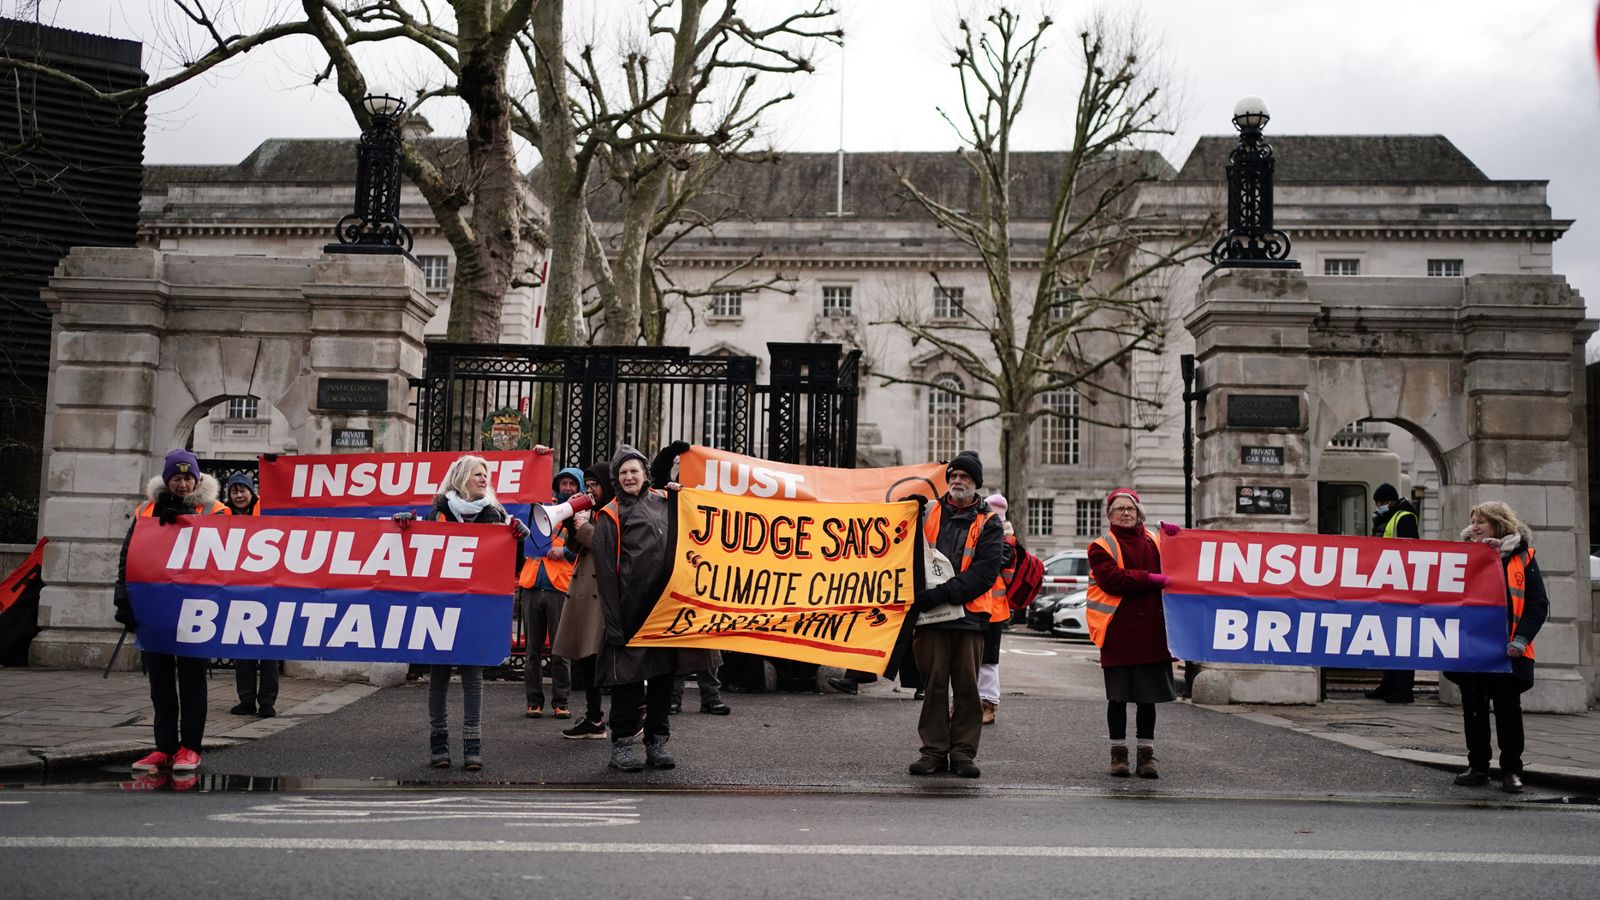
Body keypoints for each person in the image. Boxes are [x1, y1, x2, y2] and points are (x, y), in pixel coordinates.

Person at [593, 442, 720, 772]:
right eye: (623, 472)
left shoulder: (666, 500)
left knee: (663, 682)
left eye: (634, 470)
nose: (629, 476)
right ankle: (622, 744)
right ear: (616, 479)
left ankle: (657, 742)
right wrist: (614, 623)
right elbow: (605, 574)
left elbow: (697, 525)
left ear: (645, 473)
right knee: (627, 685)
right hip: (630, 613)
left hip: (665, 611)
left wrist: (681, 495)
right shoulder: (609, 515)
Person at [402, 454, 529, 771]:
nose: (484, 479)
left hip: (477, 609)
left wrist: (519, 541)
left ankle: (473, 745)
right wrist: (404, 527)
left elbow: (510, 569)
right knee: (440, 677)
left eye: (486, 475)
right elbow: (418, 557)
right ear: (461, 479)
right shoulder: (439, 512)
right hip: (442, 605)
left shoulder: (496, 514)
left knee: (474, 678)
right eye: (477, 474)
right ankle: (439, 743)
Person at [114, 449, 232, 774]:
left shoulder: (216, 510)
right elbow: (128, 558)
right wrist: (123, 600)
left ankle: (190, 747)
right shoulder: (147, 510)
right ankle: (164, 747)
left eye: (188, 477)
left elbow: (228, 558)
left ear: (197, 479)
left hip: (197, 608)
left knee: (192, 679)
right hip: (155, 607)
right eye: (176, 478)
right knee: (160, 681)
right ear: (167, 479)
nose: (182, 484)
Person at [908, 450, 1008, 779]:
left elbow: (983, 574)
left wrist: (941, 593)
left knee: (967, 688)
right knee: (935, 685)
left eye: (963, 476)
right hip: (933, 617)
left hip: (969, 618)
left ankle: (963, 753)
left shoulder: (990, 522)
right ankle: (934, 752)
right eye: (952, 476)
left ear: (975, 483)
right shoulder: (930, 511)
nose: (956, 481)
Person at [1446, 501, 1548, 794]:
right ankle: (1478, 767)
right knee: (1474, 711)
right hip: (1472, 648)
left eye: (1482, 522)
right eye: (1474, 521)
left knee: (1508, 712)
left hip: (1508, 650)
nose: (1475, 526)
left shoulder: (1523, 558)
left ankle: (1511, 771)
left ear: (1499, 525)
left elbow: (1537, 605)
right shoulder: (1462, 556)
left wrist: (1521, 640)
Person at [1086, 488, 1181, 779]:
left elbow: (1181, 561)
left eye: (1130, 509)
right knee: (1118, 699)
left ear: (1139, 513)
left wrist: (1179, 540)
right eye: (1119, 509)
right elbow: (1114, 580)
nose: (1125, 513)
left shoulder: (1154, 539)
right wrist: (1150, 579)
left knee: (1146, 698)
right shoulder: (1100, 546)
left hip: (1152, 632)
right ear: (1109, 515)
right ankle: (1119, 756)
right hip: (1118, 632)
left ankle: (1146, 756)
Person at [650, 443, 731, 717]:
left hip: (704, 576)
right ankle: (674, 698)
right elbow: (657, 474)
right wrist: (671, 452)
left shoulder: (712, 498)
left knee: (706, 642)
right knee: (676, 640)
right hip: (676, 575)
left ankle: (711, 696)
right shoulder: (670, 494)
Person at [552, 461, 612, 740]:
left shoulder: (614, 512)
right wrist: (572, 526)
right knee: (587, 660)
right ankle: (594, 716)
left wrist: (585, 527)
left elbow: (606, 546)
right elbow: (575, 548)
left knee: (601, 659)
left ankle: (628, 715)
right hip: (585, 592)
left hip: (601, 596)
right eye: (587, 486)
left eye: (594, 485)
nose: (590, 491)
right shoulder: (592, 512)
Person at [518, 466, 582, 719]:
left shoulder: (582, 515)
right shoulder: (541, 508)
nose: (567, 488)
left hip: (559, 589)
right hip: (532, 586)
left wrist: (565, 552)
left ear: (579, 489)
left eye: (572, 484)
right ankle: (534, 701)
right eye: (563, 483)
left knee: (560, 650)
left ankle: (561, 701)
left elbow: (590, 547)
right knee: (532, 651)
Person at [221, 472, 277, 718]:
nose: (239, 495)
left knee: (268, 650)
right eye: (234, 491)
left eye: (243, 490)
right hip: (239, 590)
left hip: (268, 590)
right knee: (242, 648)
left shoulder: (268, 511)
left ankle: (266, 701)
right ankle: (246, 700)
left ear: (252, 491)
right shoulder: (223, 516)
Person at [1365, 481, 1421, 703]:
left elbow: (1410, 549)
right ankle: (1388, 684)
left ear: (1390, 501)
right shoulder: (1386, 517)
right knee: (1387, 637)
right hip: (1386, 582)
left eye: (1381, 502)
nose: (1379, 506)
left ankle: (1403, 689)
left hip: (1401, 584)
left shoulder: (1404, 517)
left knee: (1402, 637)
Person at [978, 493, 1017, 726]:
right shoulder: (1003, 540)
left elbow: (991, 565)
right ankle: (979, 704)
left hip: (993, 609)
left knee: (988, 662)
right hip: (984, 607)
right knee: (975, 659)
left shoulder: (1005, 542)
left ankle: (989, 705)